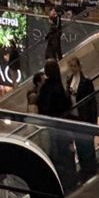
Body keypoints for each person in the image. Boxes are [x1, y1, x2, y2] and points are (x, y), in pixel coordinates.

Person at [36, 58, 77, 187]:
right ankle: (70, 180)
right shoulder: (57, 87)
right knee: (66, 154)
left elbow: (41, 107)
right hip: (61, 126)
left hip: (49, 126)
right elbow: (63, 106)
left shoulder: (44, 88)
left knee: (56, 155)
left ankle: (60, 182)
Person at [65, 55, 98, 176]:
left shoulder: (86, 81)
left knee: (87, 144)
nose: (73, 68)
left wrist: (94, 121)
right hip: (74, 117)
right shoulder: (69, 80)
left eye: (75, 66)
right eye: (71, 66)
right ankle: (84, 168)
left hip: (85, 116)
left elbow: (92, 102)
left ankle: (91, 168)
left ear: (79, 66)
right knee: (79, 144)